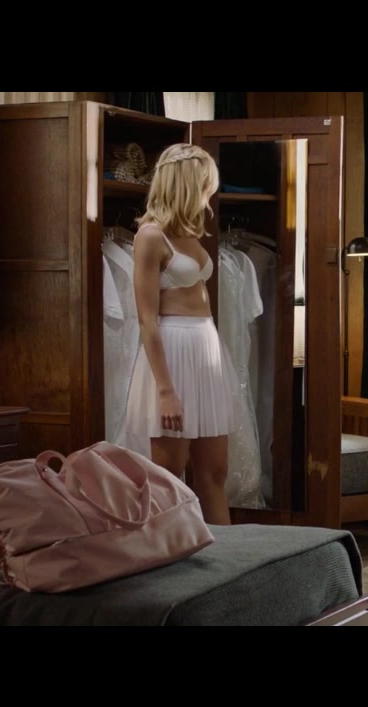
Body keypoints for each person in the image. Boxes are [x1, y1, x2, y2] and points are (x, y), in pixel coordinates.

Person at [123, 143, 237, 526]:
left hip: (206, 351)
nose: (209, 193)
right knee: (169, 479)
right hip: (173, 354)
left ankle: (228, 557)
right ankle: (170, 554)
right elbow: (147, 320)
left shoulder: (191, 233)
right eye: (206, 184)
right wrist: (165, 391)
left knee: (215, 473)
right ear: (188, 184)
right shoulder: (150, 236)